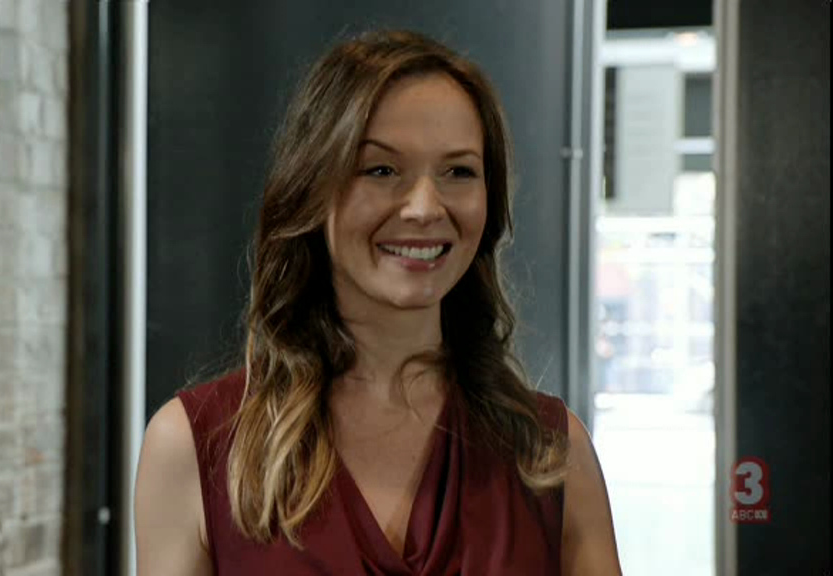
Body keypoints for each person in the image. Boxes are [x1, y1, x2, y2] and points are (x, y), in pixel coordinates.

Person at [135, 29, 622, 575]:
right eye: (381, 170)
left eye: (459, 171)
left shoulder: (552, 454)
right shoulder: (193, 446)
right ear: (311, 188)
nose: (424, 207)